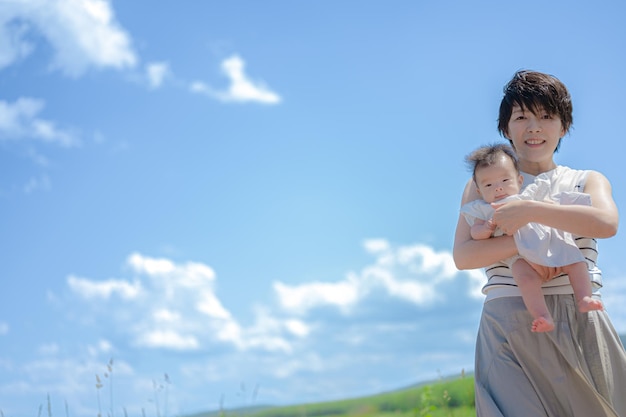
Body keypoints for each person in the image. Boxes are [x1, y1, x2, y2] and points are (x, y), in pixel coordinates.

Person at [453, 70, 626, 416]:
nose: (534, 127)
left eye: (547, 116)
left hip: (580, 313)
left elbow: (606, 223)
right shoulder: (485, 184)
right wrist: (528, 241)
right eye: (522, 117)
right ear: (506, 128)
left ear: (564, 127)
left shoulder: (585, 180)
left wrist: (528, 210)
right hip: (508, 315)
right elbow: (464, 255)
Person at [461, 143, 603, 333]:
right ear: (479, 191)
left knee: (577, 263)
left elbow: (551, 204)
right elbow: (475, 233)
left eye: (505, 180)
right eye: (489, 185)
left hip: (549, 243)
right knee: (525, 279)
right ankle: (542, 315)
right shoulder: (484, 209)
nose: (498, 188)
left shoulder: (529, 195)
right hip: (522, 258)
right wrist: (486, 227)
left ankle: (584, 298)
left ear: (519, 181)